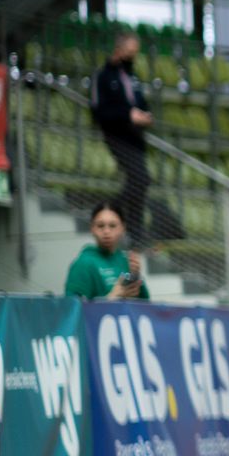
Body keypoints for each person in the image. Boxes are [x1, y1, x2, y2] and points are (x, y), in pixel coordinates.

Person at [90, 31, 153, 245]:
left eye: (135, 53)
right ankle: (109, 210)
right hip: (117, 135)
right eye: (129, 52)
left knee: (140, 183)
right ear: (119, 50)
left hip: (136, 137)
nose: (132, 56)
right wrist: (127, 115)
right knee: (141, 179)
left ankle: (135, 232)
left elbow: (141, 103)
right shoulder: (104, 76)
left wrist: (144, 114)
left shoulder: (132, 77)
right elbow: (99, 112)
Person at [65, 202, 145, 300]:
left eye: (112, 225)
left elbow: (145, 303)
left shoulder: (126, 261)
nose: (106, 231)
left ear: (123, 228)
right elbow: (73, 308)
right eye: (100, 226)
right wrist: (112, 297)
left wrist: (135, 275)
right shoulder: (83, 264)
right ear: (92, 228)